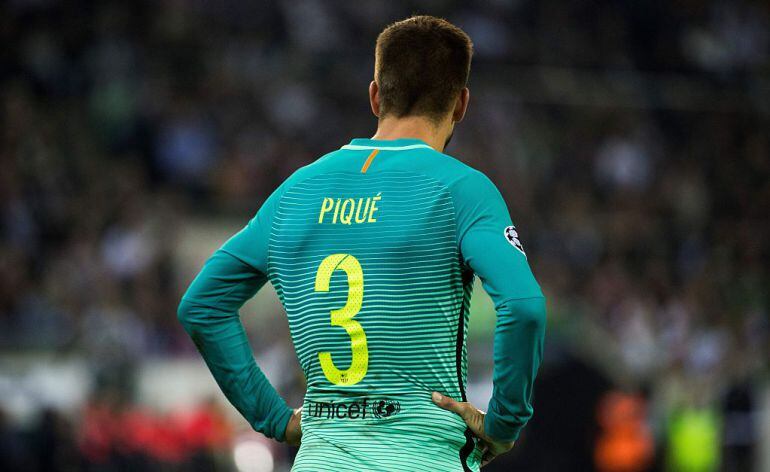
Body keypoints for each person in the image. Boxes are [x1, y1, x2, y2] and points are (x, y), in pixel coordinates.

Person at [178, 15, 546, 471]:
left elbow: (201, 305)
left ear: (375, 95)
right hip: (422, 457)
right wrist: (504, 424)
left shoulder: (296, 192)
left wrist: (272, 417)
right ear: (461, 104)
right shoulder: (462, 190)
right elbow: (524, 306)